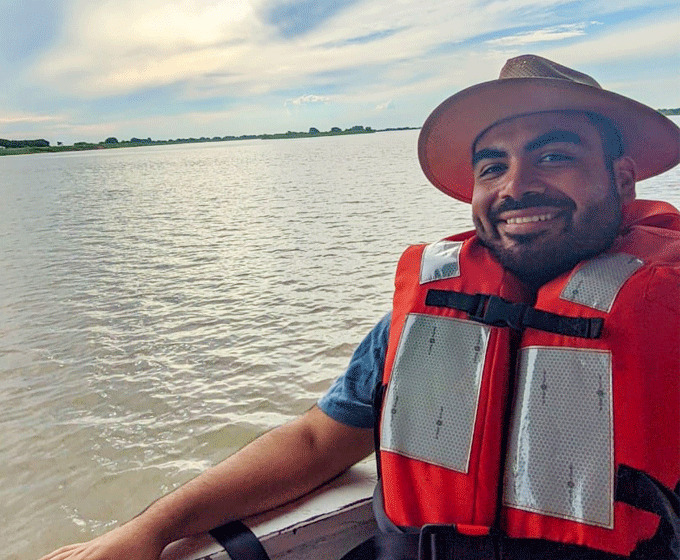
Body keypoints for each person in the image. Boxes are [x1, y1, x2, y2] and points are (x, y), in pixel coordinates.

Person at [39, 54, 680, 560]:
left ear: (622, 179)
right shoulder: (428, 319)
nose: (516, 187)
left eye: (554, 155)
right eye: (493, 167)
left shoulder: (670, 311)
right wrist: (149, 532)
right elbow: (318, 441)